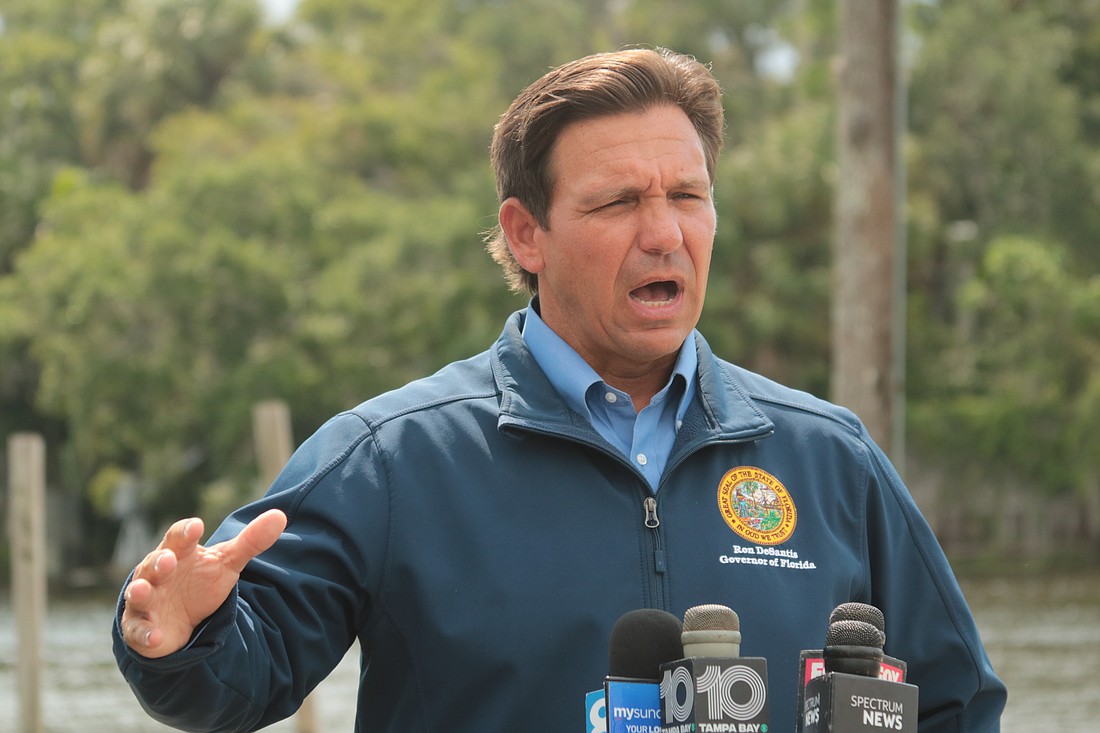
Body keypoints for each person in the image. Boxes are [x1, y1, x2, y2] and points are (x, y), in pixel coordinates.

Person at [113, 47, 1006, 733]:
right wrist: (182, 631)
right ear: (527, 233)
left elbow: (957, 703)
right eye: (618, 203)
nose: (665, 234)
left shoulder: (830, 457)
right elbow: (237, 677)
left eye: (688, 196)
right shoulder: (391, 459)